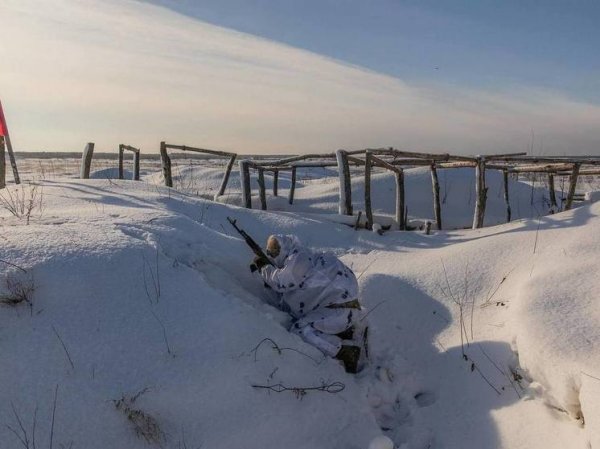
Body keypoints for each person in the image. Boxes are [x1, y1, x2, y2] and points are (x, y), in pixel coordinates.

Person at [251, 234, 366, 373]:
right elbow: (285, 301)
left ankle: (346, 353)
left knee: (301, 330)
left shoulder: (299, 258)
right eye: (269, 251)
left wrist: (264, 268)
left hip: (338, 311)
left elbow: (281, 282)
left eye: (275, 250)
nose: (272, 255)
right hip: (342, 310)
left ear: (285, 248)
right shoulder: (305, 259)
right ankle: (343, 333)